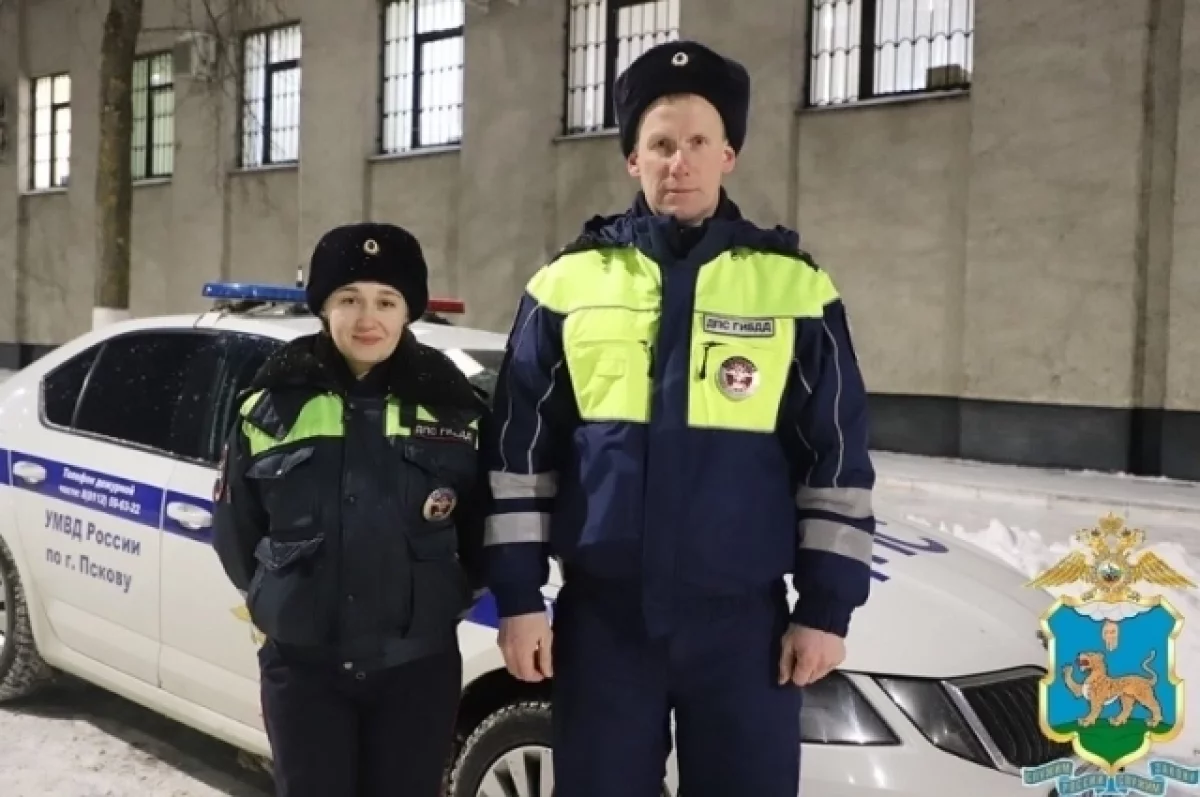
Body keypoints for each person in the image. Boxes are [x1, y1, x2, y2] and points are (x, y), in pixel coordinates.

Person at [479, 40, 876, 797]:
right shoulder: (567, 284)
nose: (679, 162)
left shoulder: (794, 288)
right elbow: (517, 458)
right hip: (604, 625)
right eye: (660, 145)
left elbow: (835, 461)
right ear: (633, 158)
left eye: (698, 142)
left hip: (743, 631)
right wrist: (521, 599)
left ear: (729, 154)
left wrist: (826, 610)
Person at [211, 222, 488, 797]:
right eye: (348, 299)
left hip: (417, 670)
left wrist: (439, 598)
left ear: (408, 310)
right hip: (304, 672)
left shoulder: (456, 408)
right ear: (323, 307)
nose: (368, 318)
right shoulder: (269, 405)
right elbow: (238, 533)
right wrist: (279, 601)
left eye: (386, 301)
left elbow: (481, 532)